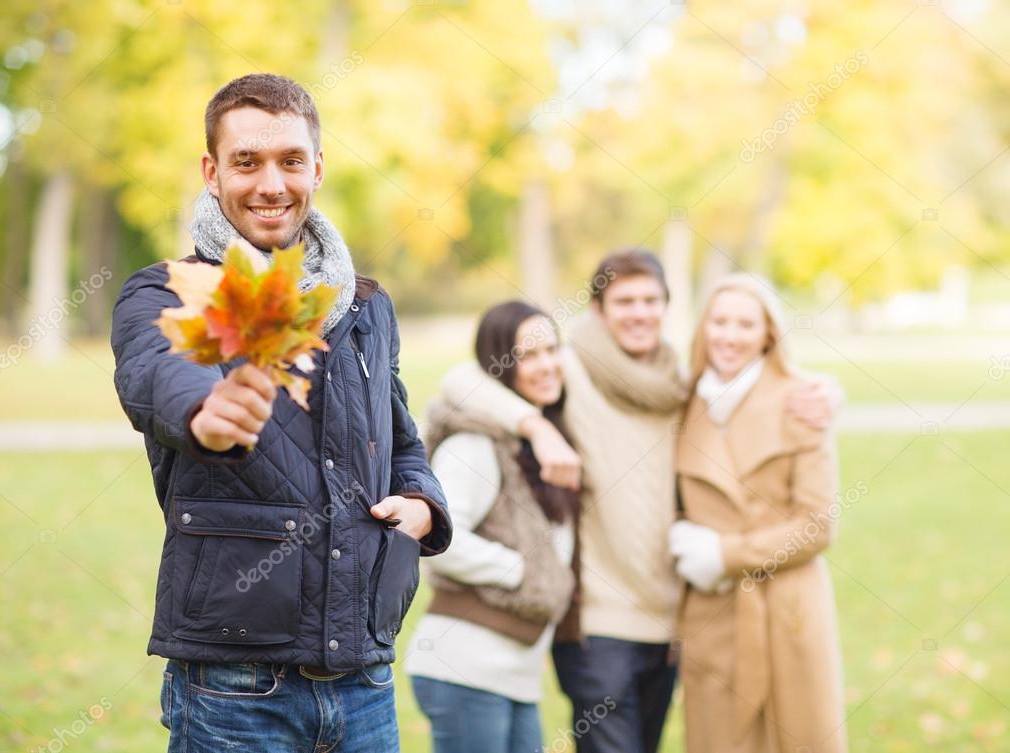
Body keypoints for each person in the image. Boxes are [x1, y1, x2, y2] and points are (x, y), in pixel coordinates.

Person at [110, 73, 452, 753]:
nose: (272, 183)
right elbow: (154, 372)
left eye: (290, 161)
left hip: (364, 681)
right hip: (235, 690)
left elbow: (404, 441)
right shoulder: (171, 291)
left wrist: (422, 503)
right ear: (212, 172)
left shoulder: (365, 305)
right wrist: (206, 411)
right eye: (247, 162)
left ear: (317, 168)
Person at [440, 250, 836, 753]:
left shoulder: (679, 385)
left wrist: (825, 393)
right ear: (598, 311)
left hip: (670, 624)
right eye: (624, 301)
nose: (639, 312)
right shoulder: (573, 368)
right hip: (597, 626)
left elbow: (761, 394)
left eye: (651, 300)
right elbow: (462, 381)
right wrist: (536, 426)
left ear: (667, 307)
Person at [669, 273, 846, 753]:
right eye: (719, 321)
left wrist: (725, 554)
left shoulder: (803, 401)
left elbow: (817, 525)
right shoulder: (682, 404)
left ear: (768, 332)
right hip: (715, 611)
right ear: (703, 328)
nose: (729, 335)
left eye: (745, 324)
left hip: (788, 610)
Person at [406, 300, 579, 753]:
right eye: (528, 356)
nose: (545, 366)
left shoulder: (543, 441)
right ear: (499, 365)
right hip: (465, 670)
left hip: (514, 677)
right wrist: (528, 572)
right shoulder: (474, 444)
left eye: (551, 350)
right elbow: (441, 537)